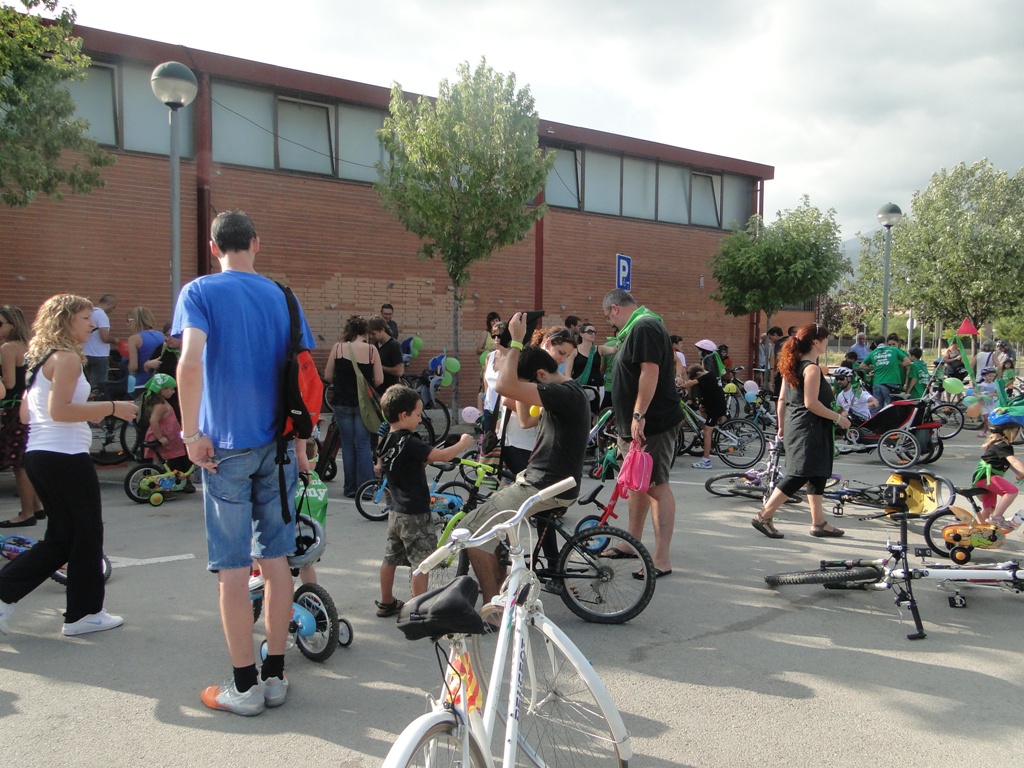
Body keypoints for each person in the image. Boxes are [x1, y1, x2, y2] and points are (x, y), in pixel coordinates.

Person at [173, 209, 315, 716]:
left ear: (215, 248)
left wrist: (191, 435)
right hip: (276, 448)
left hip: (222, 448)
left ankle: (243, 687)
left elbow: (189, 363)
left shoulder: (200, 293)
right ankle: (275, 676)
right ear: (256, 243)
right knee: (277, 564)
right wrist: (301, 444)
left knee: (233, 570)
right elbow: (302, 373)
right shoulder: (284, 297)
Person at [0, 295, 137, 636]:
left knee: (63, 538)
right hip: (64, 458)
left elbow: (26, 414)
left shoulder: (41, 359)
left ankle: (11, 597)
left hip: (42, 456)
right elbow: (60, 411)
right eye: (86, 318)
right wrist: (111, 407)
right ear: (65, 320)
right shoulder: (67, 359)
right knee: (86, 534)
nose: (92, 324)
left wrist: (82, 413)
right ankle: (85, 613)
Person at [461, 313, 590, 605]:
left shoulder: (562, 394)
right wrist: (518, 374)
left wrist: (517, 341)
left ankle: (493, 610)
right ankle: (505, 592)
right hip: (542, 481)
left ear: (541, 378)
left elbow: (503, 387)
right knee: (496, 529)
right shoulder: (562, 393)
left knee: (473, 534)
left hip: (544, 485)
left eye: (529, 385)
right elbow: (525, 420)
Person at [374, 385, 475, 617]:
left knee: (390, 558)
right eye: (418, 414)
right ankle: (418, 607)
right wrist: (463, 443)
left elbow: (410, 462)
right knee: (422, 562)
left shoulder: (386, 440)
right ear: (404, 415)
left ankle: (386, 601)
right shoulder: (409, 441)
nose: (420, 420)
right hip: (415, 513)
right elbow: (442, 456)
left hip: (396, 511)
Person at [604, 289, 682, 578]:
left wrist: (639, 414)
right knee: (637, 484)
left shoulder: (645, 325)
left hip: (653, 423)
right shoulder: (636, 329)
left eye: (609, 319)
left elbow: (650, 371)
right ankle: (630, 542)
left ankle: (661, 559)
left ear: (614, 309)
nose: (612, 325)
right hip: (635, 425)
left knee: (656, 487)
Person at [752, 323, 849, 540]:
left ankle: (818, 522)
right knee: (799, 474)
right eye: (825, 339)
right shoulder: (811, 369)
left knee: (817, 473)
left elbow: (782, 400)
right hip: (810, 428)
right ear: (816, 341)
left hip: (798, 426)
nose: (827, 342)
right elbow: (811, 403)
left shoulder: (792, 367)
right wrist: (839, 418)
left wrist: (782, 427)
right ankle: (764, 516)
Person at [324, 316, 383, 498]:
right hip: (363, 403)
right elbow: (379, 379)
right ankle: (365, 488)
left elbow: (328, 375)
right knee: (363, 444)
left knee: (348, 445)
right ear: (364, 332)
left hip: (341, 402)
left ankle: (349, 487)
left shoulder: (338, 348)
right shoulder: (372, 350)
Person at [0, 305, 44, 527]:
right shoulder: (30, 345)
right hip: (32, 405)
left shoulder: (8, 348)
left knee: (19, 462)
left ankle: (26, 512)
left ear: (12, 325)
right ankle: (36, 507)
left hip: (15, 407)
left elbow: (8, 383)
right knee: (27, 458)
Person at [140, 373, 194, 489]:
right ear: (162, 389)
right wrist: (160, 437)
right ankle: (166, 486)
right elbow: (153, 421)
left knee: (177, 460)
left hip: (172, 439)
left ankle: (182, 481)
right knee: (170, 463)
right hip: (165, 440)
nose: (174, 391)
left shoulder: (162, 402)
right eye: (171, 389)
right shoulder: (160, 405)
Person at [972, 423, 1024, 528]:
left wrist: (1020, 473)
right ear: (1009, 432)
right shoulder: (1003, 446)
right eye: (1016, 431)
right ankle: (996, 518)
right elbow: (1013, 461)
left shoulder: (997, 443)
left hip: (982, 478)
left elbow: (1008, 463)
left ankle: (978, 530)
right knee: (1011, 491)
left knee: (989, 508)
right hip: (987, 478)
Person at [680, 362, 727, 469]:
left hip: (715, 408)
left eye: (696, 377)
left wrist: (680, 385)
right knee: (701, 408)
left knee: (707, 433)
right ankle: (707, 428)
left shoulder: (705, 377)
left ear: (698, 373)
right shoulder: (711, 374)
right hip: (715, 405)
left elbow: (690, 383)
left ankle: (706, 461)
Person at [860, 333, 910, 409]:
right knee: (891, 408)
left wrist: (874, 367)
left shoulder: (873, 353)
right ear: (886, 342)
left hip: (877, 384)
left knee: (876, 408)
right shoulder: (894, 350)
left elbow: (862, 366)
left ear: (876, 344)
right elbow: (908, 362)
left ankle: (875, 421)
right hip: (891, 384)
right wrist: (898, 365)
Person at [126, 306, 165, 393]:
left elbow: (133, 367)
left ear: (136, 321)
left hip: (142, 383)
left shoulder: (134, 339)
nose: (127, 324)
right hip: (160, 382)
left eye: (129, 321)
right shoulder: (161, 335)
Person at [571, 322, 606, 416]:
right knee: (579, 414)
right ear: (581, 334)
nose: (593, 334)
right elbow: (567, 373)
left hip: (597, 387)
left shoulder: (599, 349)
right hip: (580, 387)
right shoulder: (574, 350)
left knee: (595, 414)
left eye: (594, 332)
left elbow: (614, 349)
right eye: (590, 332)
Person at [83, 293, 116, 391]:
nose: (112, 310)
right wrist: (115, 340)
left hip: (85, 353)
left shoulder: (89, 314)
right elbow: (104, 337)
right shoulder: (102, 315)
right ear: (109, 303)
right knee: (99, 387)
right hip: (99, 355)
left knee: (86, 384)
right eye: (113, 307)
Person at [368, 315, 404, 395]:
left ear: (382, 330)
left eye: (374, 334)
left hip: (390, 391)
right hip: (377, 391)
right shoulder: (375, 344)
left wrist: (379, 367)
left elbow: (399, 371)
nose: (372, 337)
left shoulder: (394, 345)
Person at [977, 367, 999, 436]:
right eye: (989, 376)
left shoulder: (994, 384)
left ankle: (984, 432)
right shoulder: (980, 385)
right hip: (983, 405)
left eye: (993, 376)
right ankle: (993, 431)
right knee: (986, 419)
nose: (991, 378)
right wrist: (978, 396)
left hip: (991, 404)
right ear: (984, 376)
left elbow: (998, 393)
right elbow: (974, 393)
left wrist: (992, 394)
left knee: (990, 419)